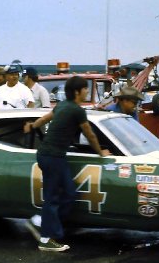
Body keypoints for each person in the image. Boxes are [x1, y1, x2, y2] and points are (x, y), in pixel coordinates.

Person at [24, 76, 110, 252]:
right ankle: (46, 239)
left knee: (70, 193)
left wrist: (32, 126)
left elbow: (43, 120)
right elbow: (90, 134)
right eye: (85, 89)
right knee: (52, 197)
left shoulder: (62, 105)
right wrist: (101, 152)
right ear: (77, 92)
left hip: (51, 156)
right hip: (52, 157)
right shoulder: (77, 110)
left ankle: (42, 222)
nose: (87, 91)